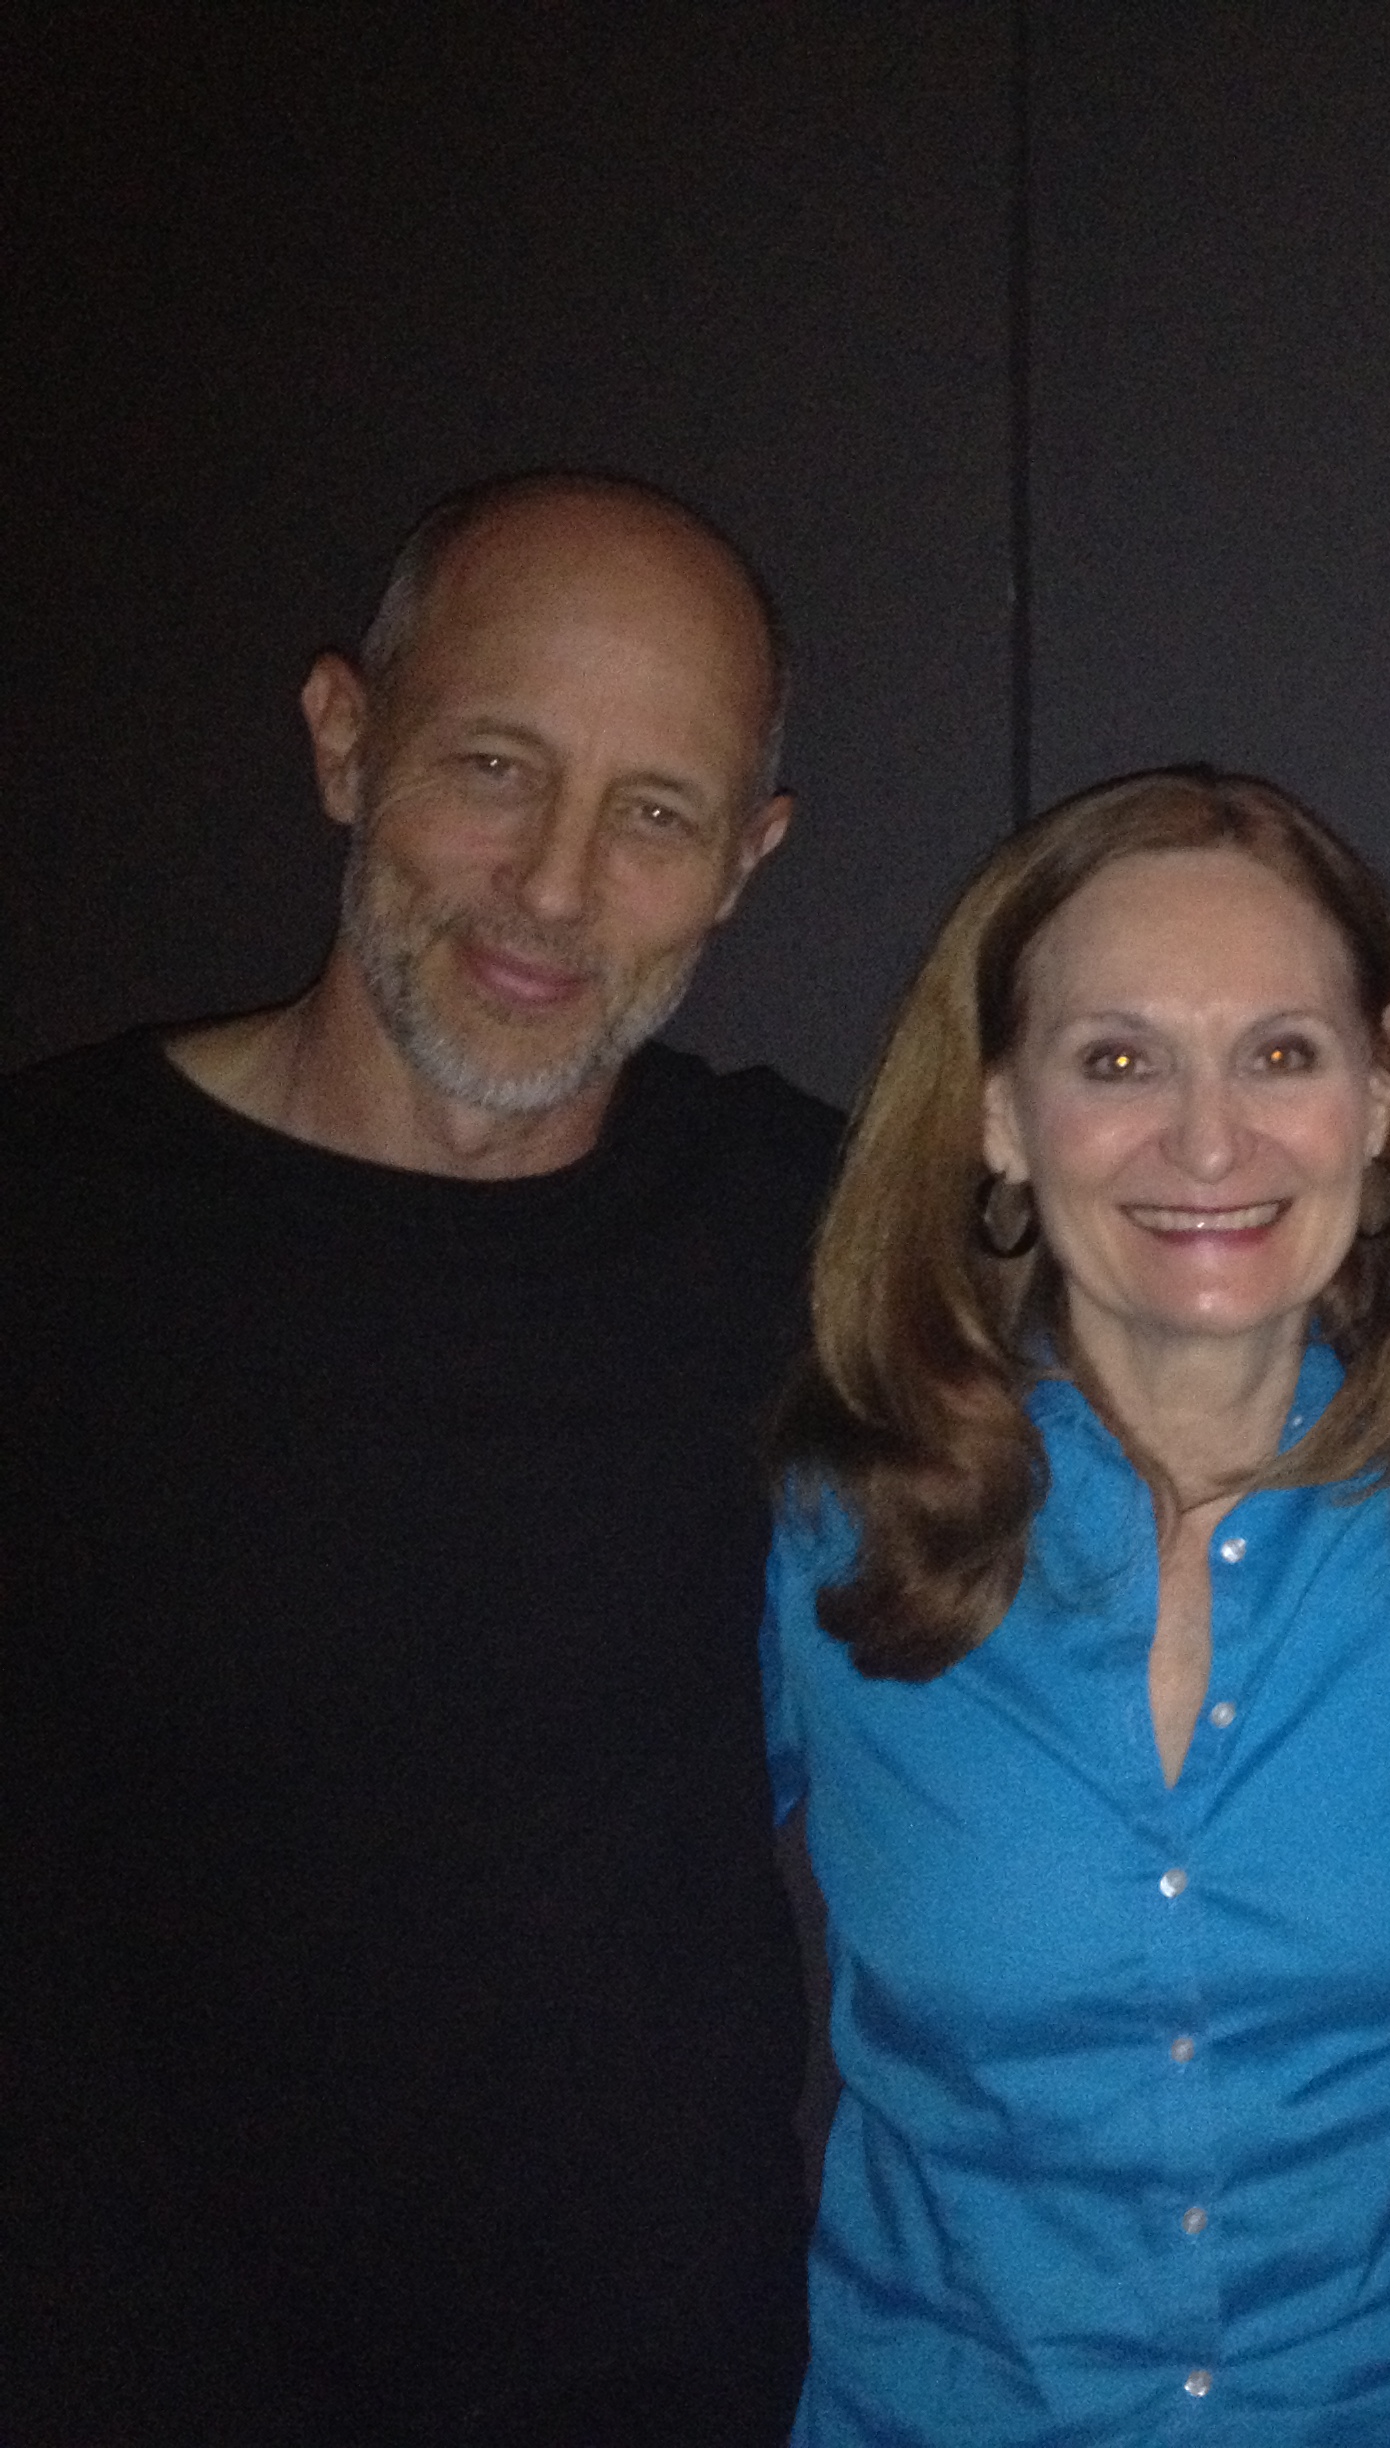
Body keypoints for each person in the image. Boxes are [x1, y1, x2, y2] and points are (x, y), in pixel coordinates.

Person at [0, 470, 830, 2441]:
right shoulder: (41, 1233)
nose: (553, 885)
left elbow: (1188, 1248)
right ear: (342, 742)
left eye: (655, 814)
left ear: (747, 859)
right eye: (492, 764)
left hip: (672, 2401)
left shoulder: (806, 1218)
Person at [762, 767, 1390, 2445]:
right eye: (1118, 1060)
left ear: (1382, 1093)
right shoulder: (836, 1530)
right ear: (997, 1113)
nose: (1210, 1140)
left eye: (1283, 1052)